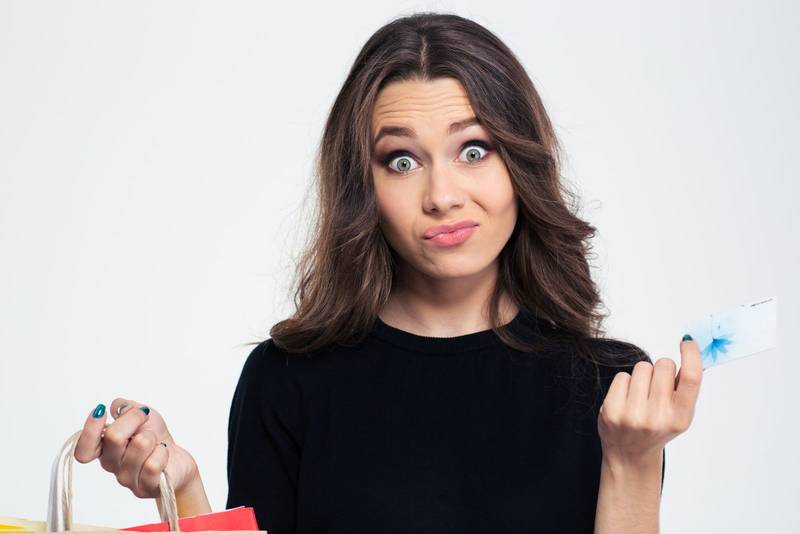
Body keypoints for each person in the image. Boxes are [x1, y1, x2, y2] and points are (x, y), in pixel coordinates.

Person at [73, 11, 704, 534]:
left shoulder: (611, 392)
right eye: (402, 161)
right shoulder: (286, 382)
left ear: (521, 164)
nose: (443, 196)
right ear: (363, 187)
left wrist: (633, 462)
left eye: (474, 150)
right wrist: (184, 488)